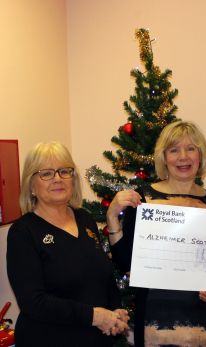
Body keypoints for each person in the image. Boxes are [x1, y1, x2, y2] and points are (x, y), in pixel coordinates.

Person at [106, 121, 206, 347]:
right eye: (174, 150)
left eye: (191, 148)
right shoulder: (145, 199)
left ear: (200, 155)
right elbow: (125, 262)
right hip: (156, 323)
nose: (183, 157)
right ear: (164, 158)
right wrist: (112, 218)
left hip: (202, 324)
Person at [6, 142, 129, 347]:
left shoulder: (85, 218)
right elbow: (33, 302)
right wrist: (94, 316)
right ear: (31, 186)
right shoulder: (23, 232)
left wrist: (115, 313)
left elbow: (103, 277)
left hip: (96, 340)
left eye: (64, 171)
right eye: (46, 173)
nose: (57, 178)